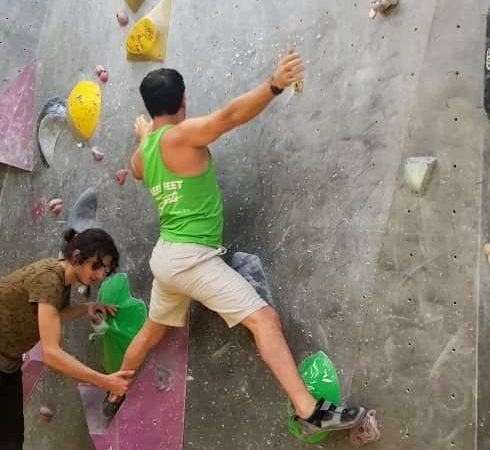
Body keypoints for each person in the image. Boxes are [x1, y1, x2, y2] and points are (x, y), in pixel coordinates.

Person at [110, 51, 365, 432]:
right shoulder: (182, 136)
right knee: (264, 320)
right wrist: (274, 85)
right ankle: (309, 411)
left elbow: (136, 169)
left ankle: (114, 392)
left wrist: (146, 135)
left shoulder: (142, 155)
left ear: (150, 109)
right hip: (191, 259)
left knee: (152, 329)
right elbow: (230, 116)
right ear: (183, 100)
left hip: (166, 259)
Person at [0, 228, 134, 450]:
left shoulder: (60, 280)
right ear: (77, 256)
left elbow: (51, 317)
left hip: (7, 365)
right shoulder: (49, 279)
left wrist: (86, 307)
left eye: (105, 269)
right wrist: (104, 381)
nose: (100, 275)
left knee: (11, 440)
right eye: (96, 266)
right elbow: (51, 354)